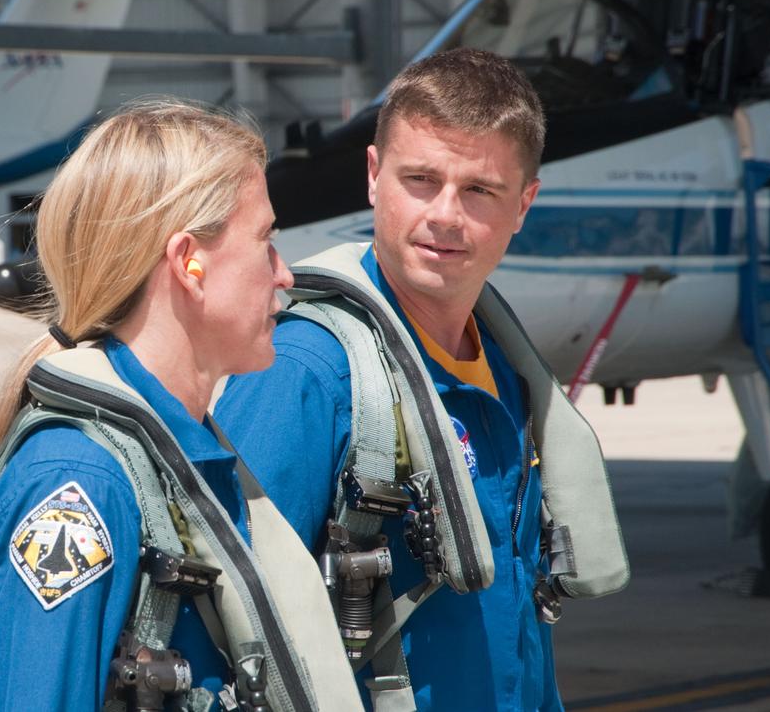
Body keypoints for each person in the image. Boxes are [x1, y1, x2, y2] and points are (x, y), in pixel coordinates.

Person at [0, 100, 363, 712]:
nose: (285, 274)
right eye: (265, 240)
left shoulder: (184, 454)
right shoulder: (80, 482)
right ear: (189, 262)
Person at [215, 48, 598, 711]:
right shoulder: (309, 373)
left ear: (524, 203)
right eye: (420, 179)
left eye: (479, 189)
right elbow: (230, 624)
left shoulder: (504, 368)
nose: (445, 213)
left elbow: (518, 632)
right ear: (373, 176)